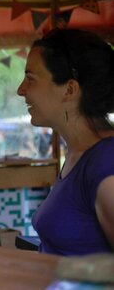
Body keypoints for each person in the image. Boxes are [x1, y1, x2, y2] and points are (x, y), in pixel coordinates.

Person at [17, 28, 114, 255]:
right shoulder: (77, 155)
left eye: (30, 79)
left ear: (69, 89)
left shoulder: (106, 164)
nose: (21, 90)